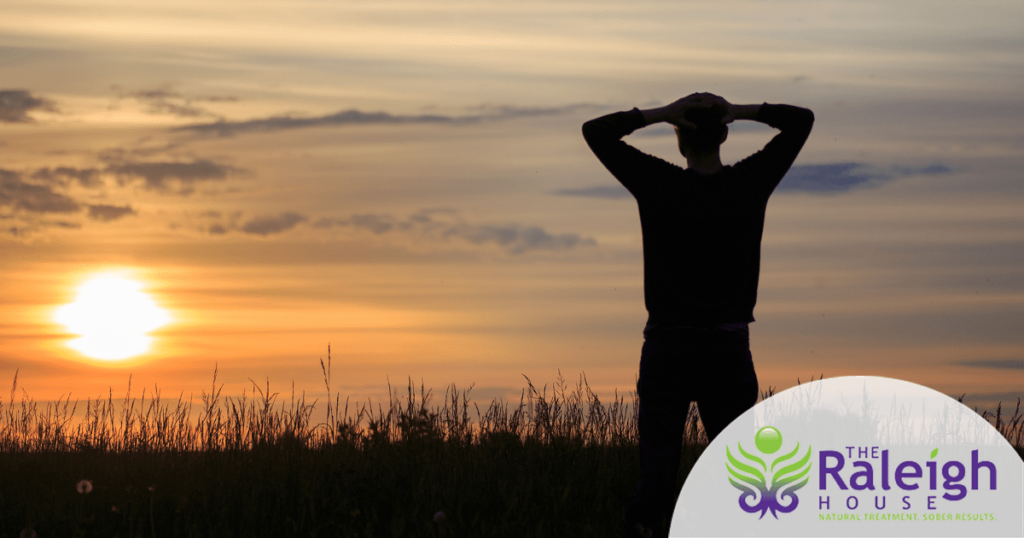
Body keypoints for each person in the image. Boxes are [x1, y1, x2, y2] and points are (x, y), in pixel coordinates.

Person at [582, 93, 814, 537]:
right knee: (743, 476)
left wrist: (660, 113)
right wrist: (744, 111)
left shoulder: (660, 184)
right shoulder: (749, 183)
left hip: (668, 346)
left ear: (680, 143)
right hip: (727, 348)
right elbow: (801, 121)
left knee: (657, 478)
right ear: (724, 134)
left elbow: (595, 132)